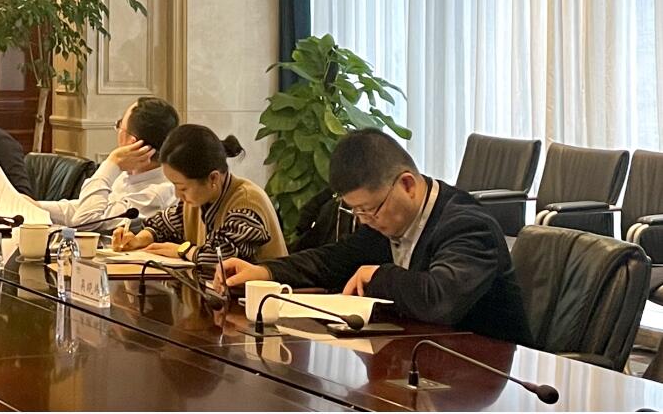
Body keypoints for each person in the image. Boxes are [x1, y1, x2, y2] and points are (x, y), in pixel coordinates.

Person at [219, 128, 532, 345]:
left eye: (370, 209)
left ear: (407, 185)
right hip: (420, 352)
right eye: (356, 211)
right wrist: (265, 272)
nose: (364, 220)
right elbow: (334, 260)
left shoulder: (467, 226)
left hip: (485, 375)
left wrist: (379, 275)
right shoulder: (387, 220)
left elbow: (440, 300)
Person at [112, 124, 287, 272]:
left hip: (259, 299)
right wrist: (139, 239)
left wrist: (182, 250)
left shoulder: (247, 202)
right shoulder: (199, 198)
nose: (177, 195)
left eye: (182, 188)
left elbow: (222, 257)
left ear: (213, 178)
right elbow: (163, 224)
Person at [38, 96, 178, 230]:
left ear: (133, 143)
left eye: (120, 125)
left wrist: (112, 162)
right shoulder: (129, 173)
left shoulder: (157, 194)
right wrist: (34, 207)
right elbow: (84, 209)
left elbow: (84, 221)